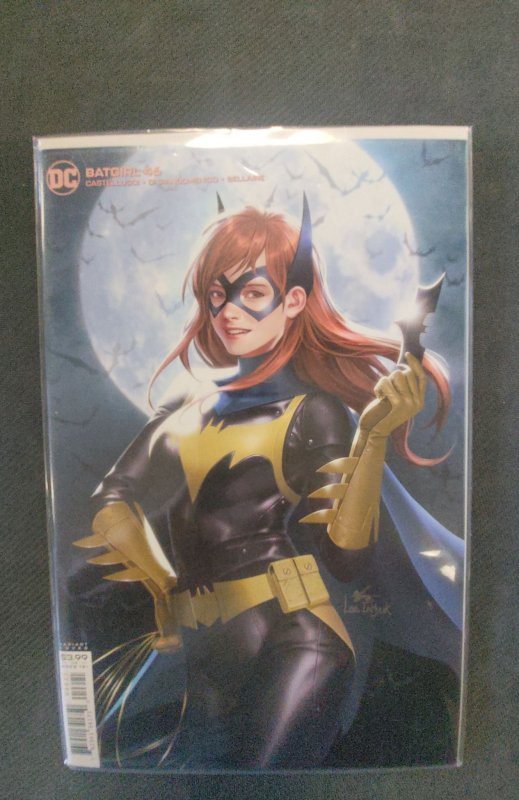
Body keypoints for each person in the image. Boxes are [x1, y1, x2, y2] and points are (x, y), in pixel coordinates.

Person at [76, 196, 450, 769]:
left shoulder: (311, 413)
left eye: (253, 293)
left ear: (293, 300)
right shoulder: (182, 416)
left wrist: (373, 437)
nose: (229, 311)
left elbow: (345, 557)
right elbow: (111, 500)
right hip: (201, 652)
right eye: (217, 294)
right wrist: (162, 584)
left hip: (296, 642)